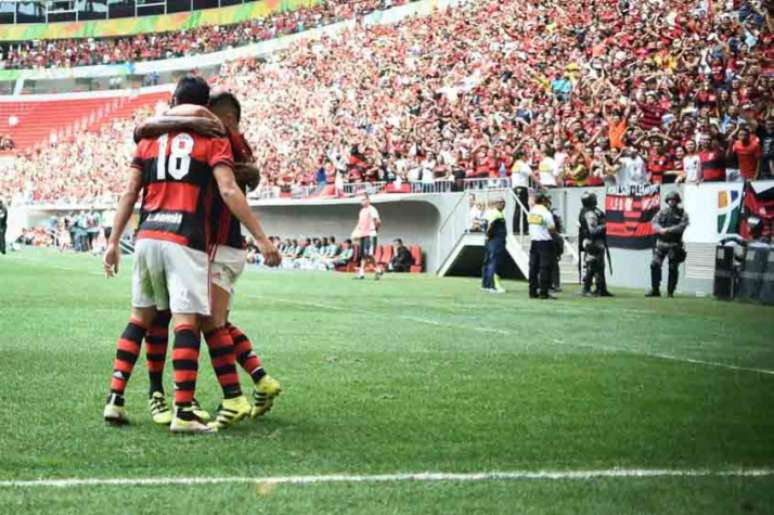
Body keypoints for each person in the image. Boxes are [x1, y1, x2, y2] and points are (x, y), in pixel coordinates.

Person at [101, 75, 279, 433]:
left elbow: (129, 192)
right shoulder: (210, 137)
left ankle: (118, 398)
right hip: (188, 237)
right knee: (194, 321)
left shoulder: (149, 138)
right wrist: (262, 237)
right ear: (206, 107)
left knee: (147, 318)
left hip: (148, 234)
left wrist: (112, 241)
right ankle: (188, 406)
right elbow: (231, 187)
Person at [646, 191, 690, 298]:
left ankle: (670, 292)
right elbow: (653, 223)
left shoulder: (682, 213)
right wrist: (660, 230)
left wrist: (668, 230)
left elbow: (683, 226)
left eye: (674, 200)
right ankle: (655, 289)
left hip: (674, 245)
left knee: (673, 268)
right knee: (654, 265)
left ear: (677, 201)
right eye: (670, 200)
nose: (672, 202)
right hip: (661, 244)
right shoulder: (662, 212)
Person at [578, 192, 613, 297]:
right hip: (592, 242)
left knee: (600, 266)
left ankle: (601, 289)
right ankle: (586, 289)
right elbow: (593, 230)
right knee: (592, 266)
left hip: (598, 242)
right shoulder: (590, 214)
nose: (595, 199)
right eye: (593, 198)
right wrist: (606, 226)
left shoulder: (595, 211)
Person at [527, 192, 557, 299]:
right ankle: (543, 292)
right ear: (544, 200)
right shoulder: (546, 213)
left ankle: (532, 291)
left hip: (534, 241)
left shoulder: (531, 212)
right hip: (545, 242)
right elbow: (552, 229)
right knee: (545, 267)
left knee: (533, 268)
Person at [352, 193, 383, 280]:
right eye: (361, 200)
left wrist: (375, 230)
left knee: (368, 254)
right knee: (363, 255)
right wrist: (355, 232)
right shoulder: (361, 211)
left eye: (364, 199)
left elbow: (378, 221)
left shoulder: (372, 209)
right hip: (363, 234)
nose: (362, 201)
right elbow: (359, 223)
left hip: (370, 234)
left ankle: (377, 269)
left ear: (368, 200)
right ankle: (362, 273)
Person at [481, 198, 507, 293]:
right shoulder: (496, 214)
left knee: (487, 262)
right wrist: (489, 235)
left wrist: (487, 237)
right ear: (496, 204)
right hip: (496, 241)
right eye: (500, 202)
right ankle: (493, 286)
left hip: (490, 241)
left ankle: (486, 284)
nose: (503, 204)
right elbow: (490, 226)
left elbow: (484, 225)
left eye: (504, 202)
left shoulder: (489, 213)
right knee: (494, 262)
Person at [546, 197, 564, 292]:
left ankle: (555, 284)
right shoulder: (543, 214)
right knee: (547, 265)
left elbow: (558, 228)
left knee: (554, 265)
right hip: (546, 241)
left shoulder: (552, 215)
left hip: (553, 241)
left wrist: (559, 253)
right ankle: (548, 285)